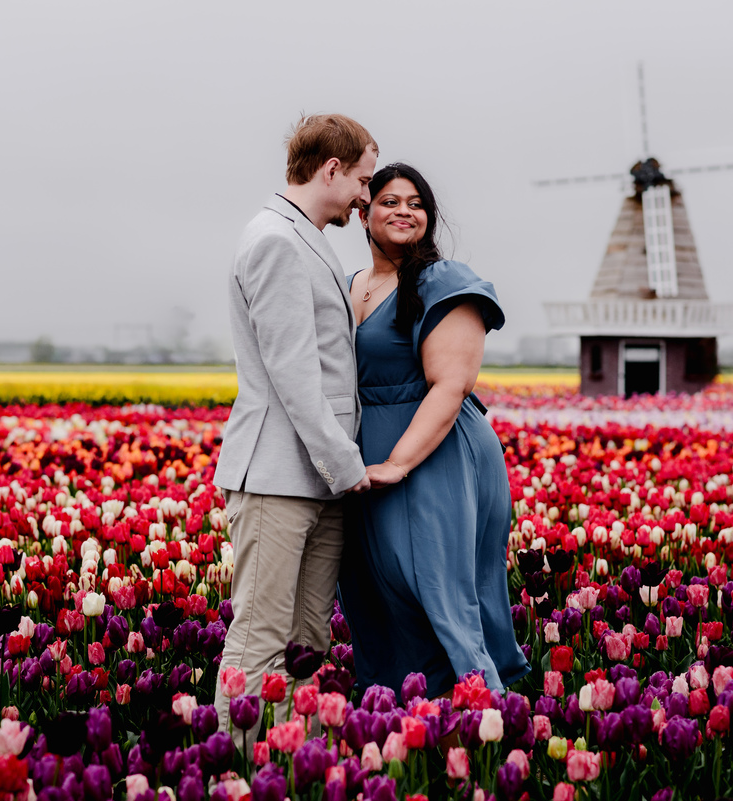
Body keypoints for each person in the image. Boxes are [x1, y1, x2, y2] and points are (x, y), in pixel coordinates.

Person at [337, 163, 529, 700]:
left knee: (436, 586)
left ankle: (481, 718)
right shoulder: (349, 285)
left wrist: (399, 462)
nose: (404, 211)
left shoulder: (442, 282)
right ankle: (402, 717)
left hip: (432, 450)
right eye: (390, 201)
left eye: (416, 203)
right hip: (365, 454)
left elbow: (452, 384)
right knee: (374, 588)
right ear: (363, 213)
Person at [213, 115, 377, 738]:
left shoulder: (307, 238)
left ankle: (294, 763)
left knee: (308, 641)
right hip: (280, 473)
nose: (366, 196)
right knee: (261, 637)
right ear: (331, 170)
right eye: (362, 181)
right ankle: (238, 765)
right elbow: (295, 374)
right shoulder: (276, 240)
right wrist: (348, 465)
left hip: (317, 478)